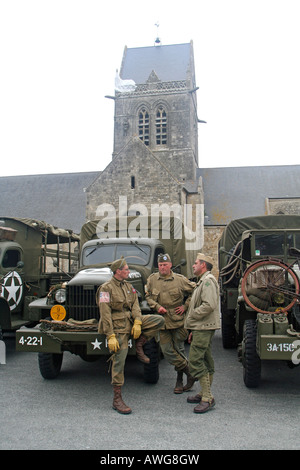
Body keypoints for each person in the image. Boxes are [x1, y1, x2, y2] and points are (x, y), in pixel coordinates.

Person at [96, 257, 165, 415]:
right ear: (118, 271)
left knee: (158, 321)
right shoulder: (106, 289)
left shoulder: (129, 286)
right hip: (117, 327)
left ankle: (140, 344)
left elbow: (135, 305)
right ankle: (117, 398)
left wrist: (138, 322)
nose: (128, 271)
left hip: (130, 321)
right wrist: (111, 335)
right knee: (120, 358)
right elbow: (105, 314)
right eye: (126, 269)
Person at [145, 253, 196, 394]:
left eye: (165, 265)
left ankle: (179, 380)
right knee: (167, 351)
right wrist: (156, 306)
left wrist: (185, 306)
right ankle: (190, 372)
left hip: (178, 321)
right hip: (161, 321)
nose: (162, 268)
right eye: (160, 265)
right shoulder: (152, 279)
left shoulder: (180, 280)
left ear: (170, 265)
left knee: (179, 350)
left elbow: (195, 291)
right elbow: (148, 296)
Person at [184, 253, 220, 413]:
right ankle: (203, 393)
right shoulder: (203, 281)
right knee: (206, 359)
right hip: (201, 327)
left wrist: (192, 316)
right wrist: (193, 328)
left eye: (196, 263)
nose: (193, 265)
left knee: (195, 361)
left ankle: (207, 397)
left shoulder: (207, 282)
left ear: (203, 265)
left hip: (204, 326)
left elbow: (209, 305)